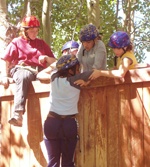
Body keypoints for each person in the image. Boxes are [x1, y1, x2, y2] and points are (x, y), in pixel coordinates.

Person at [0, 15, 56, 127]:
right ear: (24, 31)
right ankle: (18, 114)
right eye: (32, 31)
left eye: (36, 31)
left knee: (56, 77)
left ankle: (55, 115)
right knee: (23, 75)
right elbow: (4, 59)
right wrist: (4, 76)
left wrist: (46, 58)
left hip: (40, 72)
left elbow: (55, 62)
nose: (35, 33)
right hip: (22, 69)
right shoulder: (16, 42)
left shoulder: (41, 43)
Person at [43, 54, 92, 167]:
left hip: (51, 123)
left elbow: (41, 74)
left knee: (52, 163)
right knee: (68, 163)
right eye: (77, 68)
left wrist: (59, 62)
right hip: (68, 124)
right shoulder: (76, 80)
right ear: (70, 71)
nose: (79, 70)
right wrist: (87, 82)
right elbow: (96, 73)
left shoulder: (53, 77)